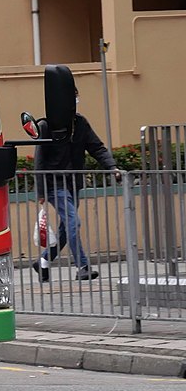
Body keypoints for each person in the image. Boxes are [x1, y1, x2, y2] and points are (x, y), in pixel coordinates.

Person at [33, 87, 120, 282]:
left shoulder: (80, 123)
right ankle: (83, 266)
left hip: (73, 184)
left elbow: (96, 147)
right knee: (74, 222)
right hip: (55, 185)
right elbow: (39, 159)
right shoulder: (46, 125)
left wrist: (112, 167)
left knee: (66, 228)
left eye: (75, 96)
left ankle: (44, 262)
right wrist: (40, 190)